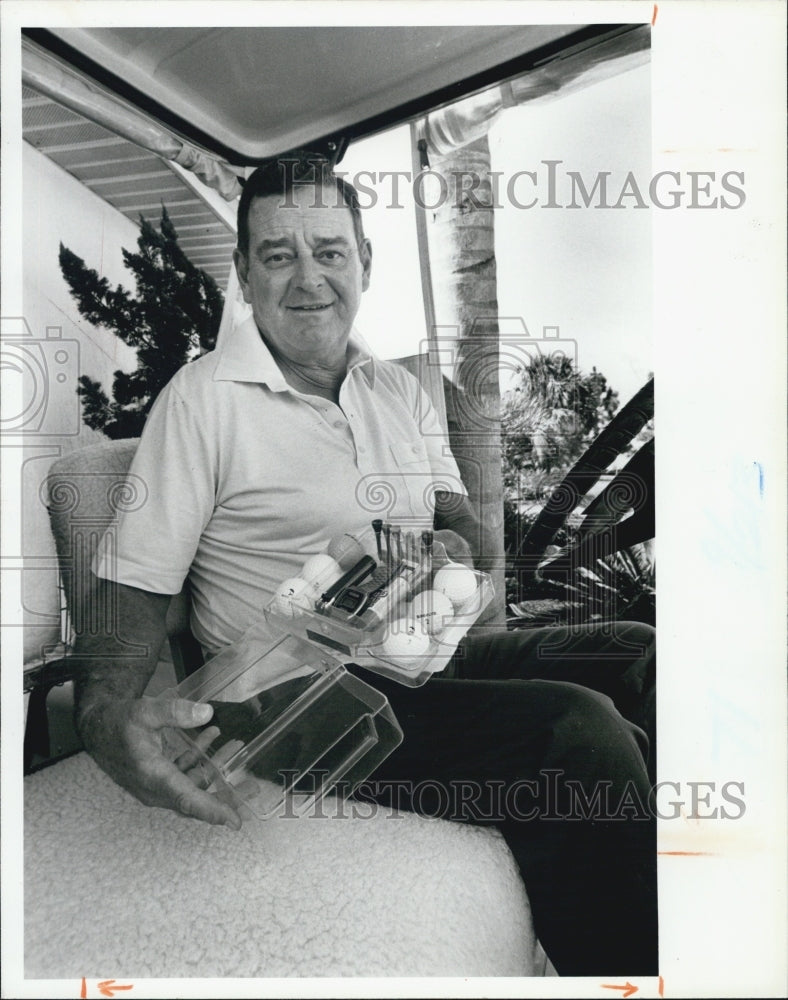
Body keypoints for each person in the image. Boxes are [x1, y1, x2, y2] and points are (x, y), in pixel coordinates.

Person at [74, 151, 657, 976]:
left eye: (330, 251)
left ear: (365, 263)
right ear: (243, 272)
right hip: (292, 701)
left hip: (425, 655)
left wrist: (454, 546)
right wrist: (103, 719)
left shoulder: (397, 391)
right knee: (578, 733)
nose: (308, 278)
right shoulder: (201, 401)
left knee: (638, 649)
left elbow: (458, 521)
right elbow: (131, 587)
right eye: (278, 254)